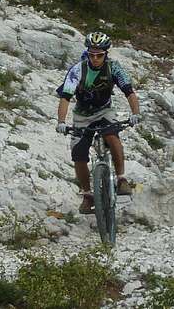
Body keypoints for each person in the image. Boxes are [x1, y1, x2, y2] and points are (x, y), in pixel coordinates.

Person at [55, 32, 141, 214]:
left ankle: (121, 179)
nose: (95, 58)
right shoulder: (77, 70)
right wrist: (61, 121)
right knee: (78, 154)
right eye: (92, 54)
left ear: (106, 54)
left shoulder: (114, 68)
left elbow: (129, 91)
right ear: (88, 52)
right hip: (82, 115)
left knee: (111, 135)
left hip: (104, 111)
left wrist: (135, 113)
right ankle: (87, 195)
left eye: (99, 55)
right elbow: (65, 97)